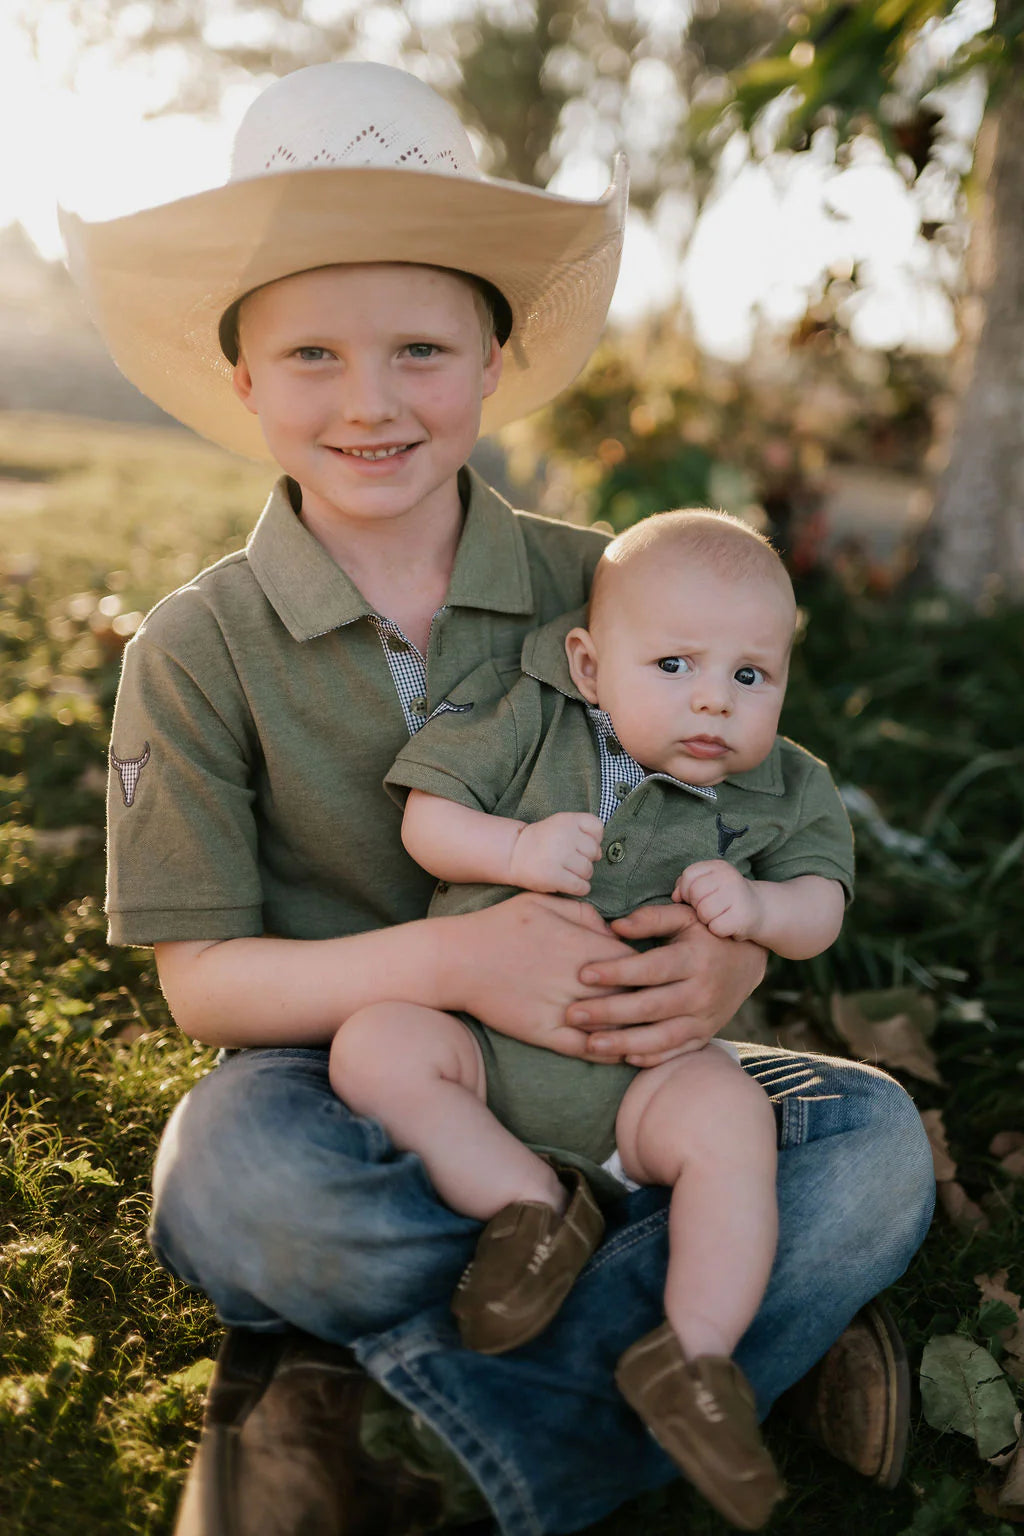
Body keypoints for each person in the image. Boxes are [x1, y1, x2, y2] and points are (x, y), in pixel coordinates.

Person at [60, 58, 935, 1536]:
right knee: (235, 1183)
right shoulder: (196, 648)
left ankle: (360, 1395)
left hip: (613, 1068)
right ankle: (707, 1342)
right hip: (352, 1067)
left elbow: (756, 793)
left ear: (491, 358)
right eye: (313, 358)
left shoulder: (611, 580)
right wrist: (455, 959)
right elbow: (205, 987)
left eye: (420, 349)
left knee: (875, 1156)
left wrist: (722, 950)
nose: (371, 404)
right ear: (243, 381)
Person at [330, 509, 852, 1529]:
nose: (713, 698)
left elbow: (821, 910)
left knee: (730, 1119)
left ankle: (694, 1359)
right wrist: (513, 854)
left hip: (644, 1086)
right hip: (483, 1052)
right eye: (671, 663)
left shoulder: (788, 786)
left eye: (751, 676)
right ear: (587, 662)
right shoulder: (527, 716)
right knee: (376, 1043)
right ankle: (529, 1206)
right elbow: (426, 820)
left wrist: (759, 916)